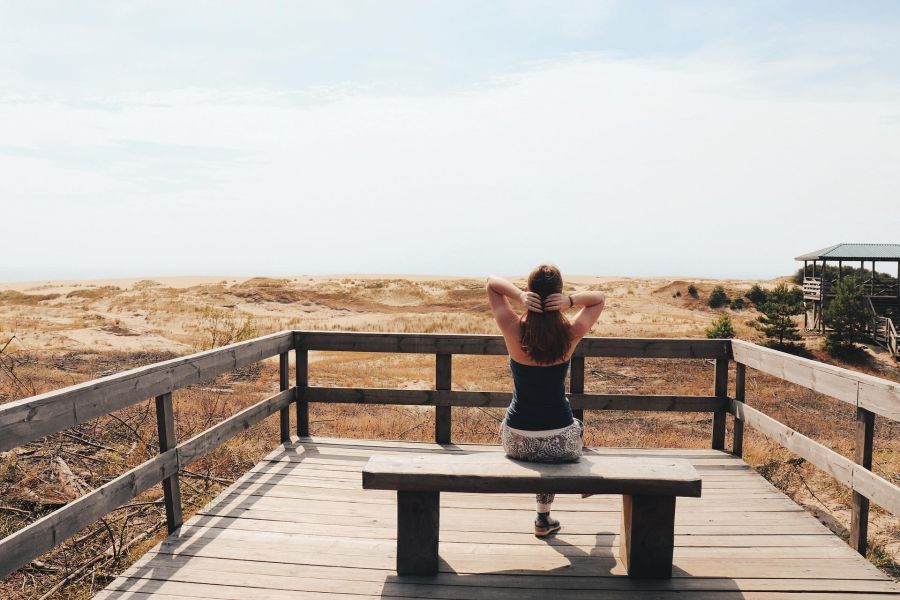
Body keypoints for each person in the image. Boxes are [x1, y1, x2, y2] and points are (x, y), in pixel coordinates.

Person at [486, 265, 606, 537]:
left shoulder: (512, 328)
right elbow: (599, 299)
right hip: (561, 443)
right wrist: (571, 301)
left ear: (529, 292)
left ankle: (544, 518)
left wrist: (518, 295)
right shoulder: (571, 333)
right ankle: (564, 493)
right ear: (559, 295)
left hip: (516, 440)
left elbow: (492, 283)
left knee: (542, 440)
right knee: (572, 429)